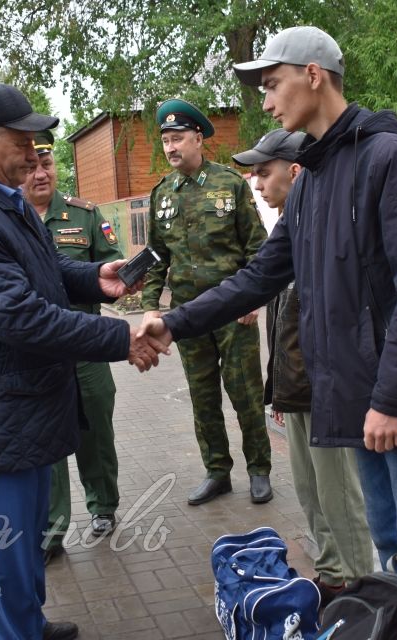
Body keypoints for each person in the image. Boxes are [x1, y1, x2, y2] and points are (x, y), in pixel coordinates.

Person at [140, 27, 397, 639]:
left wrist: (392, 398)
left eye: (272, 85)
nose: (265, 102)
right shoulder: (314, 180)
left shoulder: (387, 158)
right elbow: (259, 276)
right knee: (394, 556)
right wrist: (172, 321)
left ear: (313, 75)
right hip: (357, 409)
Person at [0, 84, 166, 640]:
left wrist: (94, 277)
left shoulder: (1, 202)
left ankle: (30, 625)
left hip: (23, 409)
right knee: (8, 554)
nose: (36, 153)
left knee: (27, 539)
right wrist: (120, 339)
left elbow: (44, 270)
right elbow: (22, 317)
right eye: (25, 141)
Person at [233, 129, 376, 602]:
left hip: (327, 392)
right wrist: (278, 390)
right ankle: (334, 576)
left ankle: (361, 594)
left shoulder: (327, 228)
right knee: (311, 493)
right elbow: (284, 325)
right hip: (297, 391)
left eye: (263, 171)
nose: (255, 183)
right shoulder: (289, 232)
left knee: (340, 496)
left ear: (295, 172)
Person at [142, 98, 272, 506]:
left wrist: (254, 299)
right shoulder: (162, 193)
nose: (171, 147)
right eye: (165, 140)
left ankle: (259, 470)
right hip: (187, 316)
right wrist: (150, 305)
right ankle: (218, 472)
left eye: (178, 138)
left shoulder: (230, 184)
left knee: (246, 393)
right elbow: (155, 256)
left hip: (234, 312)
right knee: (203, 397)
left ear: (199, 138)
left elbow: (258, 248)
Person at [23, 130, 123, 564]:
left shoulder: (83, 215)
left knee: (95, 432)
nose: (41, 174)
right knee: (47, 438)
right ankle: (51, 528)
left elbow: (109, 263)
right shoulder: (12, 221)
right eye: (32, 166)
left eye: (47, 164)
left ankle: (103, 506)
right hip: (40, 351)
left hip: (86, 346)